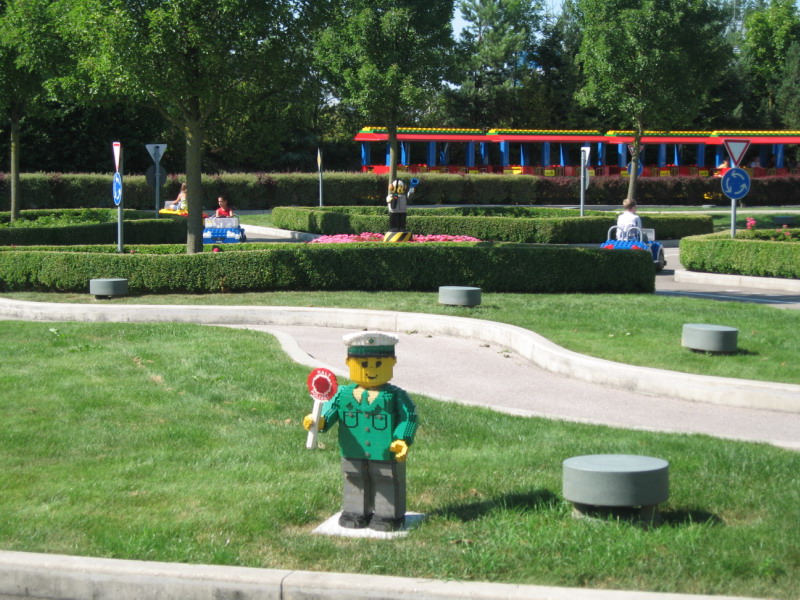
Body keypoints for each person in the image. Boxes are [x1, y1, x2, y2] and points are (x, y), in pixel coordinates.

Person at [303, 331, 417, 532]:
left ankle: (388, 515)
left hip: (384, 451)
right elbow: (330, 413)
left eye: (379, 364)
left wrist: (402, 438)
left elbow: (409, 417)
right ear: (348, 362)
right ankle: (355, 512)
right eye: (363, 364)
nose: (371, 370)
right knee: (354, 478)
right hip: (352, 450)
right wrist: (319, 421)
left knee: (387, 479)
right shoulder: (342, 395)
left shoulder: (396, 396)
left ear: (393, 362)